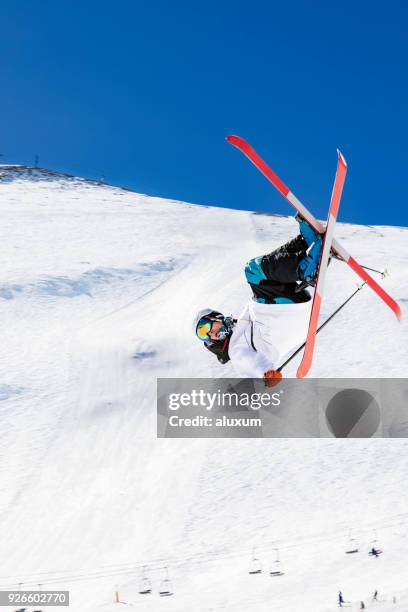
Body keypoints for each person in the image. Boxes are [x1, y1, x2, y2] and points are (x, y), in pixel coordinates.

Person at [195, 216, 322, 383]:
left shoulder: (240, 327)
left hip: (289, 310)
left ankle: (306, 245)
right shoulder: (235, 351)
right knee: (253, 271)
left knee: (267, 277)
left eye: (205, 328)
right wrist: (265, 373)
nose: (209, 334)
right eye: (203, 336)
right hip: (280, 315)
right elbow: (250, 363)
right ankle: (306, 267)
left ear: (215, 318)